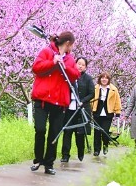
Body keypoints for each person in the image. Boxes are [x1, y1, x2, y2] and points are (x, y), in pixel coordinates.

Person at [30, 31, 81, 175]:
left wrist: (65, 66)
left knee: (54, 134)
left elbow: (75, 75)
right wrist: (52, 62)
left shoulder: (70, 59)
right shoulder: (47, 51)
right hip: (42, 99)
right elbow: (36, 67)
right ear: (67, 43)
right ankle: (38, 159)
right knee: (40, 129)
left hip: (59, 102)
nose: (72, 48)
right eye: (72, 45)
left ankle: (49, 163)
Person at [60, 56, 94, 162]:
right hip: (70, 108)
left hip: (82, 109)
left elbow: (92, 93)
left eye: (83, 65)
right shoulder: (70, 76)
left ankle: (80, 152)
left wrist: (82, 101)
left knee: (80, 133)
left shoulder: (88, 78)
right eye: (79, 63)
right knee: (67, 131)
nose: (80, 66)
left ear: (86, 67)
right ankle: (65, 155)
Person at [90, 71, 122, 156]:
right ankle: (96, 150)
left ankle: (105, 145)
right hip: (97, 113)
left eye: (106, 78)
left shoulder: (113, 89)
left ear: (109, 80)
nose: (104, 80)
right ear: (100, 79)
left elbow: (117, 101)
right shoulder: (95, 88)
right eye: (102, 78)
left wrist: (117, 111)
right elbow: (91, 99)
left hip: (108, 113)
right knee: (97, 132)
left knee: (105, 131)